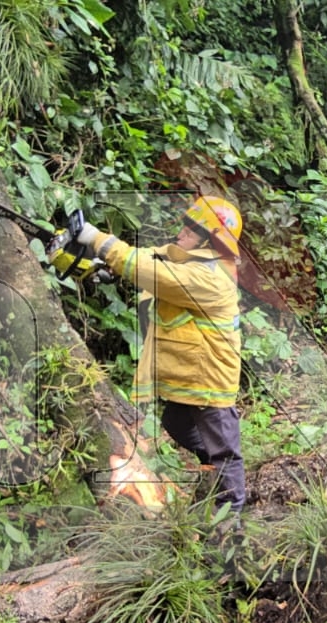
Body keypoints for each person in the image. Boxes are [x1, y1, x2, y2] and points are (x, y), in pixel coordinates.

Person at [60, 195, 247, 513]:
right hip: (191, 375)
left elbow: (147, 270)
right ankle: (215, 474)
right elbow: (147, 257)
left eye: (191, 228)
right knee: (175, 423)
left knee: (224, 449)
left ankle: (230, 518)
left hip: (210, 380)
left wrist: (93, 237)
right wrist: (101, 263)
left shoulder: (209, 277)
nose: (181, 232)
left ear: (210, 241)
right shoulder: (188, 259)